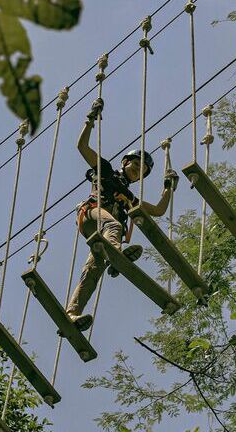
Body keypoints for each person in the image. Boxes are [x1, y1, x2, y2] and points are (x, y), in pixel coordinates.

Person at [66, 98, 179, 331]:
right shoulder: (105, 171)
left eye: (142, 172)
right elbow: (82, 147)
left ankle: (71, 314)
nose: (138, 171)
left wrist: (168, 189)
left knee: (93, 270)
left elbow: (158, 210)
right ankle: (117, 255)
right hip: (91, 216)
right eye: (136, 166)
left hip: (104, 234)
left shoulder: (130, 197)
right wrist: (90, 119)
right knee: (115, 227)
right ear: (126, 162)